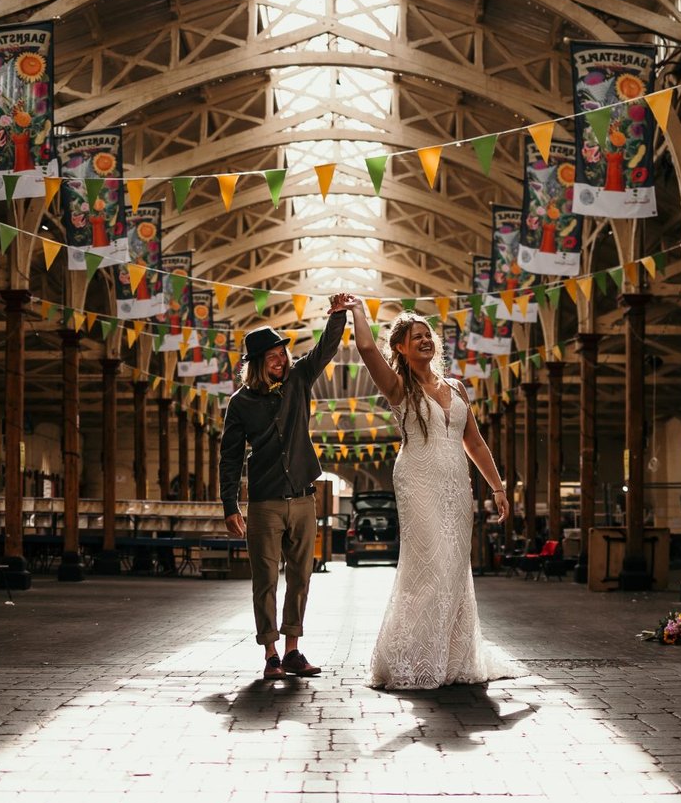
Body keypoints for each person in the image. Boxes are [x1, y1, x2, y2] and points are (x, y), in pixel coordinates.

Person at [345, 303, 521, 690]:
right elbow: (367, 350)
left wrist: (497, 487)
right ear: (402, 348)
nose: (426, 340)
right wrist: (357, 310)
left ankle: (452, 657)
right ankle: (415, 656)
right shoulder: (397, 386)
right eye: (416, 337)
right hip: (417, 480)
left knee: (455, 565)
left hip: (456, 484)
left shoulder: (456, 387)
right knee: (428, 564)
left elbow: (473, 441)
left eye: (429, 335)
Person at [220, 294, 355, 681]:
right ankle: (271, 654)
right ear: (258, 363)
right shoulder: (240, 403)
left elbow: (325, 350)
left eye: (283, 353)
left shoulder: (298, 380)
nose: (283, 360)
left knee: (301, 575)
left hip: (302, 499)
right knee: (265, 579)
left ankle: (294, 650)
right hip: (263, 502)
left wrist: (337, 315)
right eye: (275, 356)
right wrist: (230, 505)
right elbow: (229, 457)